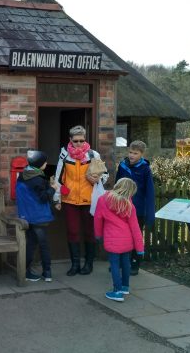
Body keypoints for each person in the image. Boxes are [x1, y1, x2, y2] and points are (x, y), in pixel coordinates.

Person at [55, 125, 108, 276]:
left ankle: (89, 264)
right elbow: (59, 178)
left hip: (89, 200)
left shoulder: (93, 155)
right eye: (76, 141)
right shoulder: (65, 155)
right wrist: (57, 198)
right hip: (70, 200)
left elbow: (105, 175)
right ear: (70, 140)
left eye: (81, 140)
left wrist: (98, 179)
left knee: (90, 232)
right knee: (72, 232)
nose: (79, 144)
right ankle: (75, 265)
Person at [94, 178, 144, 302]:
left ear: (117, 185)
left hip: (112, 240)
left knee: (115, 265)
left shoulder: (102, 200)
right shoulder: (129, 205)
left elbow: (98, 219)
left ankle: (117, 292)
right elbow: (135, 228)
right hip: (127, 241)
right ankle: (125, 287)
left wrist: (98, 234)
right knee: (126, 263)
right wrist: (140, 248)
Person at [16, 150, 58, 282]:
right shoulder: (38, 179)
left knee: (31, 244)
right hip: (39, 217)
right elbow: (43, 197)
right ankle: (47, 272)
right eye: (44, 161)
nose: (46, 163)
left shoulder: (23, 175)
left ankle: (26, 270)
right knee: (43, 245)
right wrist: (53, 188)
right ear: (40, 163)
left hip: (26, 215)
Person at [115, 140, 155, 276]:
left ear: (142, 154)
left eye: (135, 153)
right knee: (122, 235)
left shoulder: (145, 169)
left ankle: (135, 264)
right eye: (130, 152)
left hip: (138, 209)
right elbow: (116, 186)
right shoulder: (122, 166)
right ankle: (121, 263)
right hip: (122, 208)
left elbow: (150, 192)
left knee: (135, 236)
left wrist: (150, 214)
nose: (132, 155)